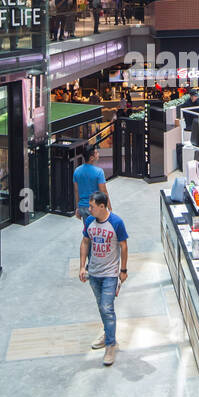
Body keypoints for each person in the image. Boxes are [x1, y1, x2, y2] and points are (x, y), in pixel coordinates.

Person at [78, 191, 128, 366]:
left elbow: (123, 246)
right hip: (94, 273)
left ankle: (110, 344)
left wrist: (123, 270)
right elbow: (85, 242)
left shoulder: (116, 223)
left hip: (110, 274)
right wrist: (83, 266)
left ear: (101, 206)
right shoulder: (90, 222)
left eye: (92, 207)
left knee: (107, 307)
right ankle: (108, 332)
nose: (89, 209)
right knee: (102, 306)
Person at [72, 146, 108, 220]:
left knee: (88, 228)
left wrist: (77, 208)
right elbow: (103, 191)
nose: (98, 154)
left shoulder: (77, 171)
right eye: (96, 153)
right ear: (91, 158)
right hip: (95, 207)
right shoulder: (99, 172)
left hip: (82, 207)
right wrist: (108, 208)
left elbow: (76, 191)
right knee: (98, 229)